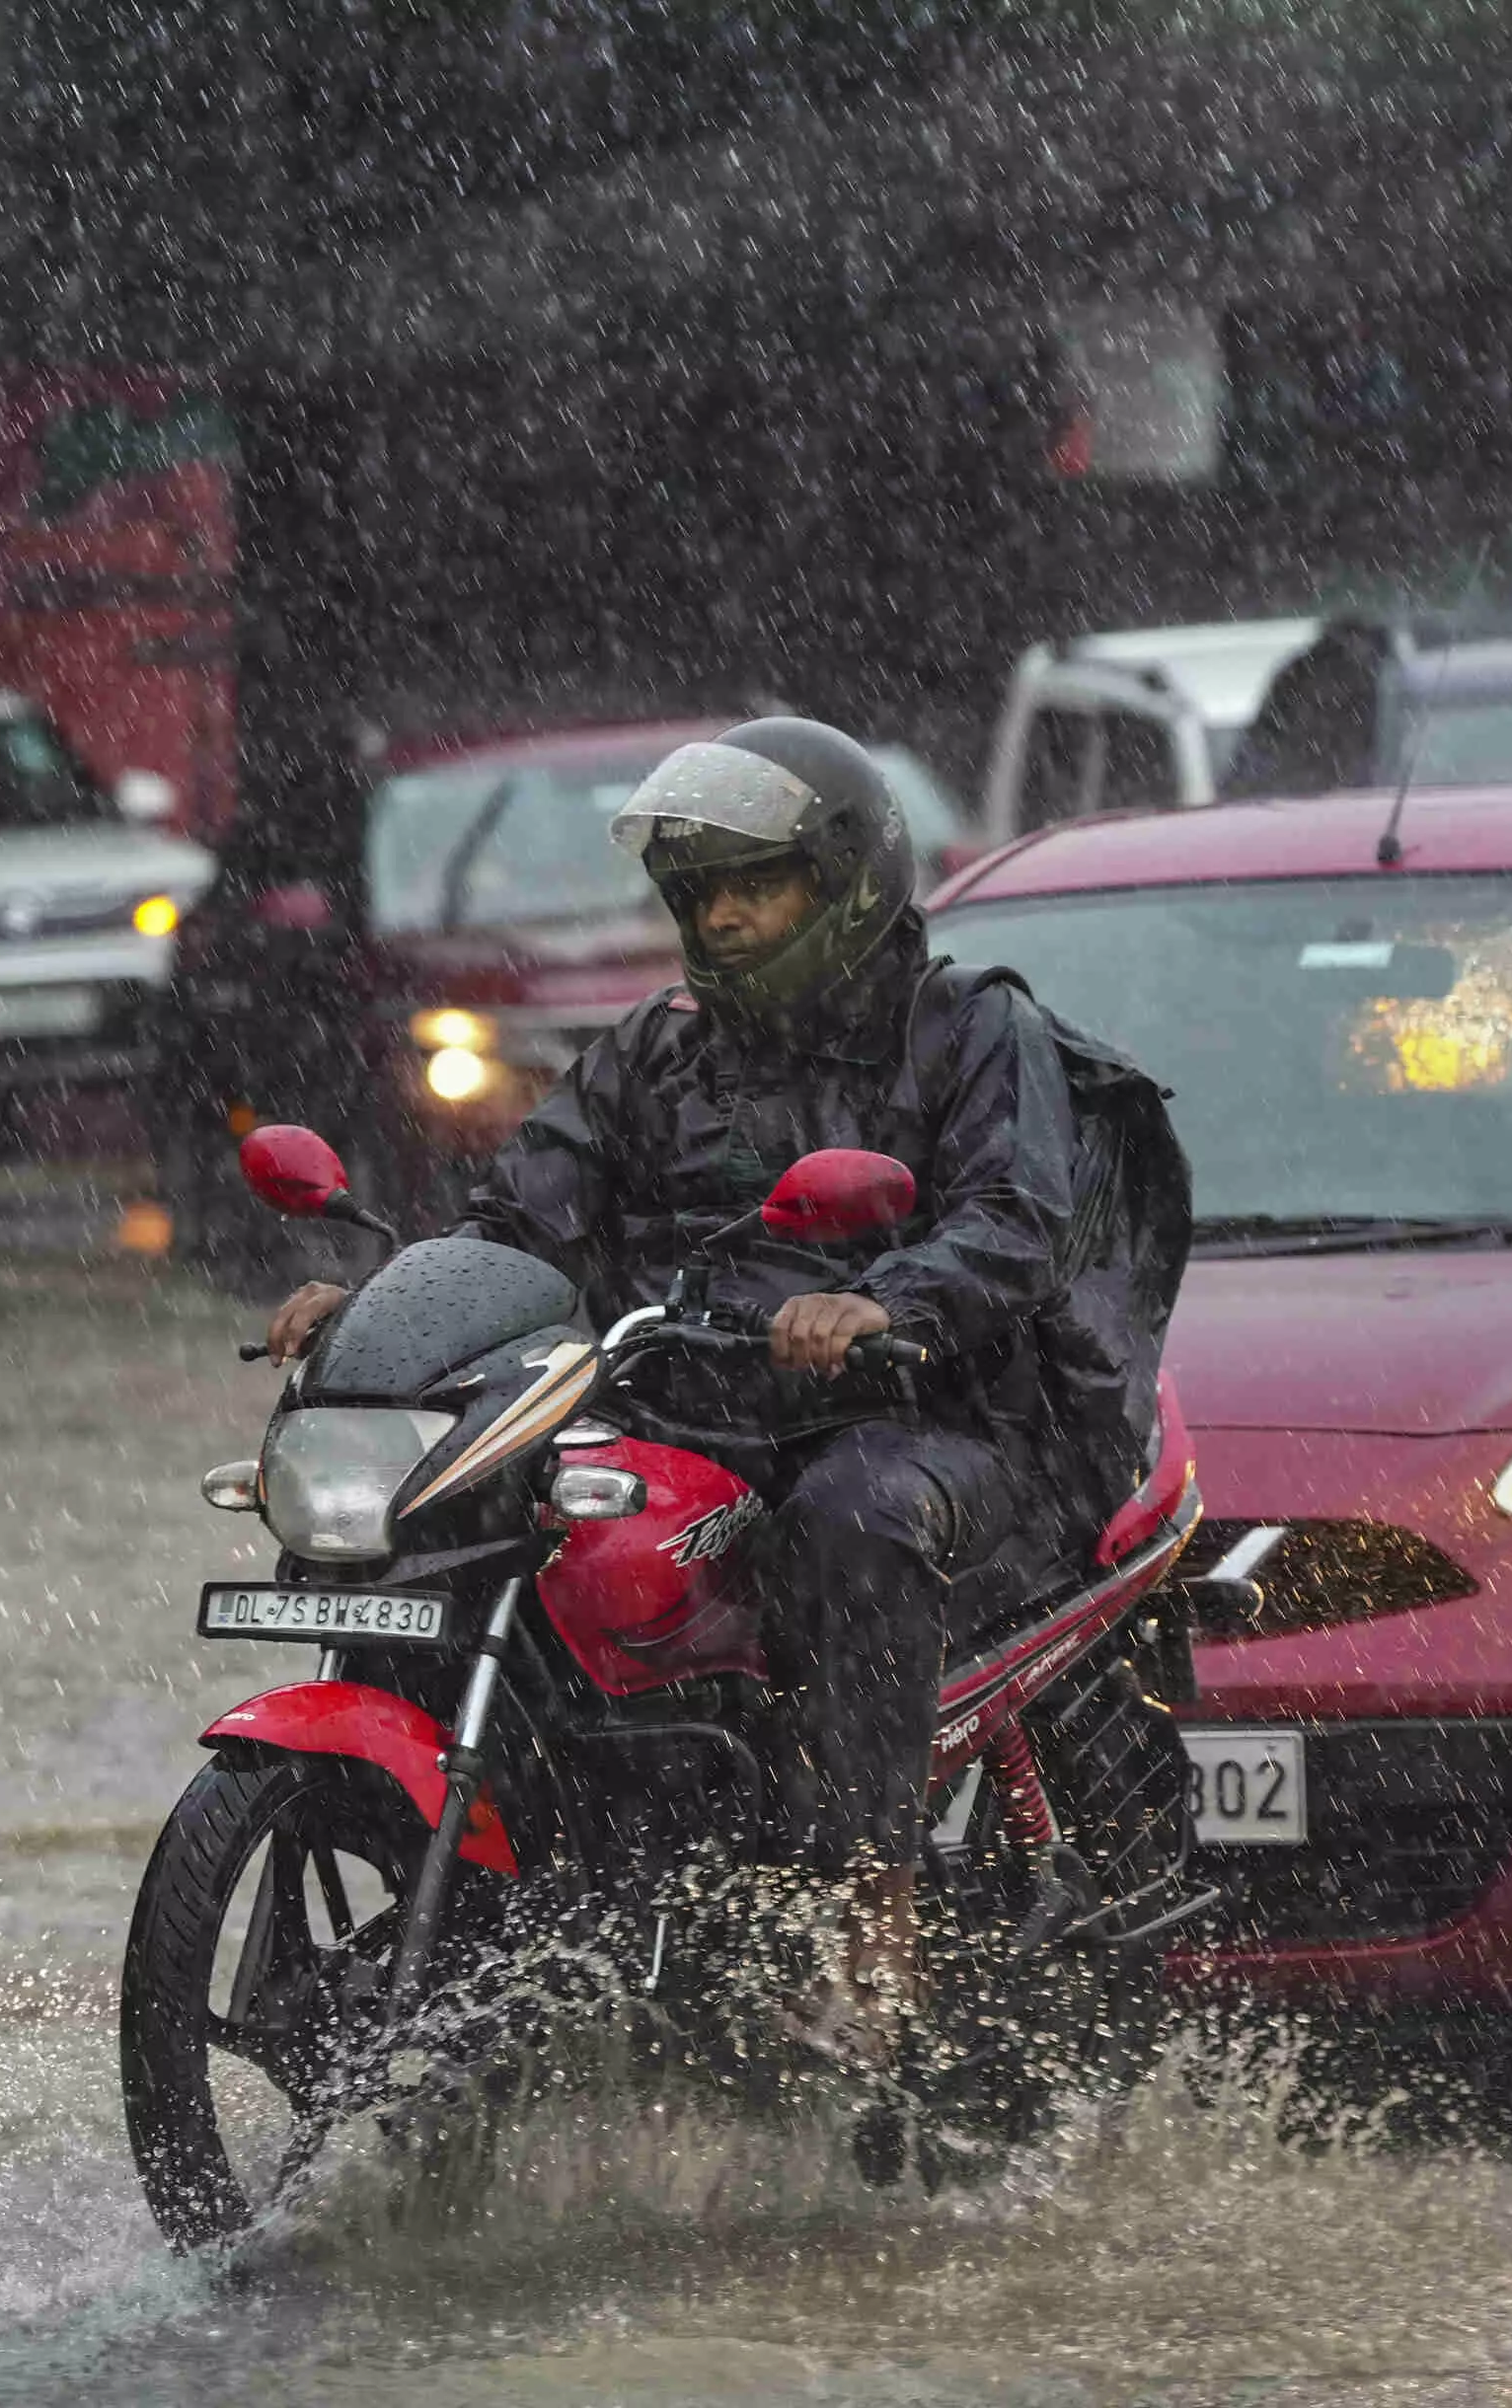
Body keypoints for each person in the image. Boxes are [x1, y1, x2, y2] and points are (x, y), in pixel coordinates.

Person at [265, 717, 1182, 2056]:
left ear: (847, 883)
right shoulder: (656, 1052)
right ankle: (566, 1877)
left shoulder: (971, 1029)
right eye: (699, 890)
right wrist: (389, 1309)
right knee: (521, 1525)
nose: (724, 915)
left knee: (851, 1515)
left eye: (756, 884)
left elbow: (1012, 1221)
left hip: (951, 1421)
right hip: (700, 1413)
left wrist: (881, 1303)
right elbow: (522, 1223)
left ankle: (876, 1910)